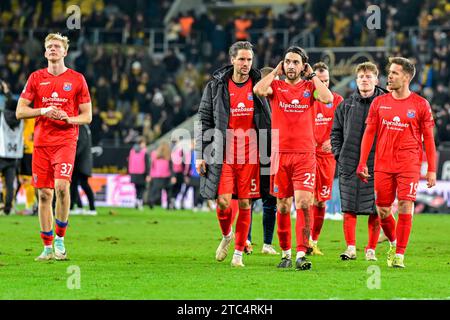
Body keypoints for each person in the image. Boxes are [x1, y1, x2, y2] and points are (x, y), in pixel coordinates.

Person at [254, 46, 333, 270]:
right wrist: (275, 71)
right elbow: (258, 90)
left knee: (304, 203)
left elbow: (327, 98)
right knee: (282, 205)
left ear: (303, 66)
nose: (291, 65)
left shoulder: (310, 87)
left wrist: (313, 76)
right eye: (287, 61)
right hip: (280, 155)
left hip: (305, 155)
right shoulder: (276, 87)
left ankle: (300, 253)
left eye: (295, 62)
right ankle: (285, 253)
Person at [16, 33, 92, 261]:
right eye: (49, 46)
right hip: (41, 143)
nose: (52, 49)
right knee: (45, 194)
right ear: (44, 52)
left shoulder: (77, 79)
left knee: (61, 187)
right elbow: (20, 112)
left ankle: (60, 238)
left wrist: (69, 119)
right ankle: (47, 246)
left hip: (66, 141)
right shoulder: (36, 78)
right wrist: (43, 110)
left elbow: (87, 116)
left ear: (65, 52)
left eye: (56, 46)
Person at [195, 41, 271, 267]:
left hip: (251, 154)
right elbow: (204, 119)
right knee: (223, 203)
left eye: (249, 59)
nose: (246, 63)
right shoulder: (216, 86)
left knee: (246, 204)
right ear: (232, 60)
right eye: (242, 59)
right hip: (224, 153)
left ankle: (238, 253)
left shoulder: (259, 84)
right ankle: (227, 235)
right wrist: (201, 153)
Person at [357, 57, 437, 268]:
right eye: (389, 72)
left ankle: (400, 254)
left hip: (409, 164)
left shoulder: (421, 105)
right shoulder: (379, 102)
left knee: (405, 204)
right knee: (383, 210)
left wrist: (432, 169)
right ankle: (394, 241)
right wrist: (362, 162)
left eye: (394, 73)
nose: (389, 77)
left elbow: (428, 138)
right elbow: (369, 133)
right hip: (383, 164)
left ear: (407, 77)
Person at [331, 61, 387, 261]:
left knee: (375, 209)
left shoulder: (386, 103)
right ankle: (351, 248)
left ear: (376, 79)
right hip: (349, 163)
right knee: (349, 207)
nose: (365, 79)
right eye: (361, 77)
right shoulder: (345, 105)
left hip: (377, 164)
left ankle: (371, 249)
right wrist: (339, 154)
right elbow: (335, 132)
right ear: (356, 81)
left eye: (369, 76)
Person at [310, 62, 344, 255]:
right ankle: (300, 242)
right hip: (306, 155)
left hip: (327, 158)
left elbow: (343, 127)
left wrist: (334, 140)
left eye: (327, 81)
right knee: (306, 199)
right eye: (320, 81)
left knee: (321, 201)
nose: (324, 85)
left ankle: (313, 241)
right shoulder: (307, 98)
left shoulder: (337, 100)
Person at [0, 80, 23, 215]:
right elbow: (13, 103)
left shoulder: (3, 115)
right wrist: (8, 92)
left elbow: (8, 103)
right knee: (10, 184)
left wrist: (5, 90)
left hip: (2, 152)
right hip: (14, 155)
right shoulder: (20, 118)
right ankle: (8, 208)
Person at [70, 124, 97, 215]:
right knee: (74, 184)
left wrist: (71, 156)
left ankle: (91, 208)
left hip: (81, 162)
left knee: (81, 184)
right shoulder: (84, 127)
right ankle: (79, 206)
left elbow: (80, 144)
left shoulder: (81, 127)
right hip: (83, 161)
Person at [147, 141, 172, 208]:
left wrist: (150, 175)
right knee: (167, 191)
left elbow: (152, 165)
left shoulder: (154, 154)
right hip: (165, 175)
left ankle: (151, 201)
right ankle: (168, 205)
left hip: (156, 175)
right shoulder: (168, 155)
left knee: (155, 190)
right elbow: (171, 167)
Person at [128, 137, 150, 210]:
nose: (145, 145)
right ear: (141, 143)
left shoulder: (132, 151)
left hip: (133, 172)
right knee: (142, 188)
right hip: (142, 173)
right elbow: (147, 164)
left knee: (137, 188)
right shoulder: (144, 152)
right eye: (144, 143)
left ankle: (136, 201)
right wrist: (148, 174)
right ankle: (139, 202)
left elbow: (129, 162)